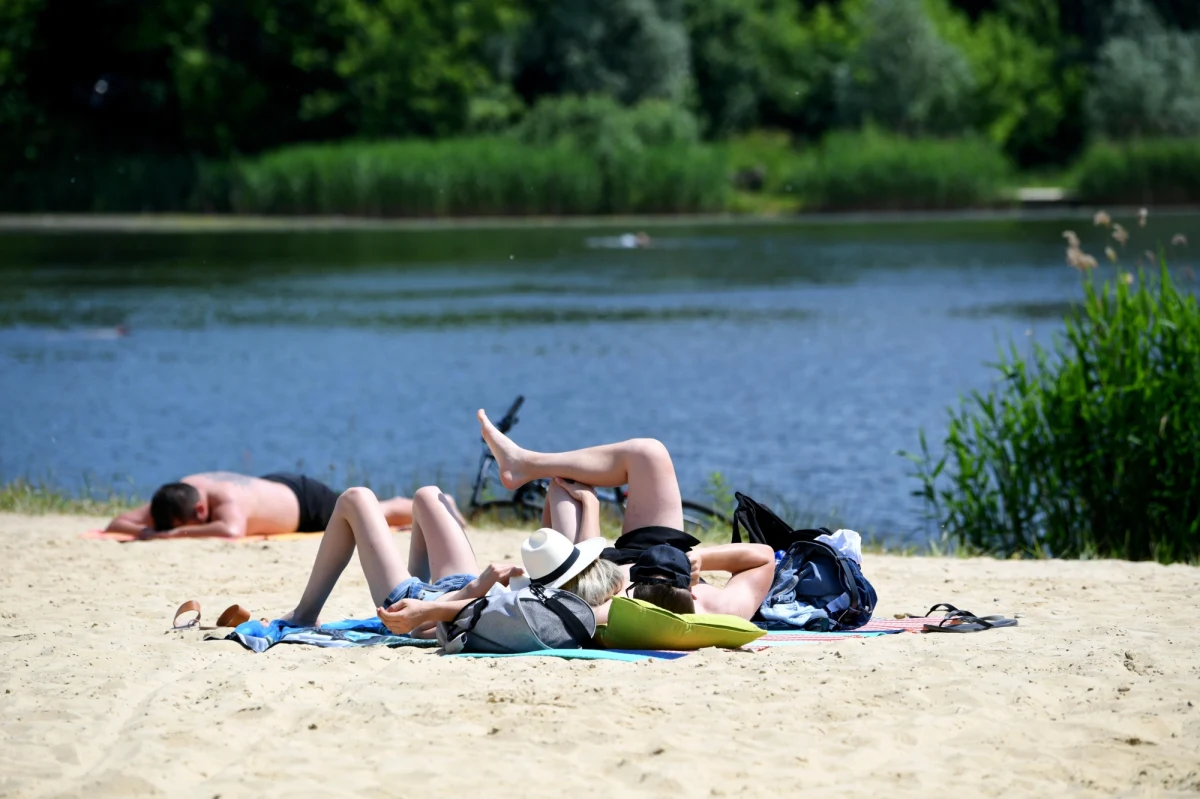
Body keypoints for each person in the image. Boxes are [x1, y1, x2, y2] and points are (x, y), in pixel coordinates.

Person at [477, 410, 775, 621]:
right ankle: (526, 465)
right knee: (649, 453)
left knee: (563, 490)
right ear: (693, 592)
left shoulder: (615, 604)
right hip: (664, 553)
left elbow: (584, 574)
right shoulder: (718, 607)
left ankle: (524, 466)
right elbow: (763, 556)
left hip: (597, 567)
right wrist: (701, 560)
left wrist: (591, 506)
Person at [277, 484, 620, 636]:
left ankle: (305, 614)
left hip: (427, 603)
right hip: (454, 584)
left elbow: (427, 626)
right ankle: (410, 576)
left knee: (356, 498)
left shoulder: (526, 614)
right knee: (429, 496)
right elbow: (590, 558)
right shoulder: (569, 590)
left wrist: (477, 586)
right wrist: (590, 505)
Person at [104, 471, 428, 540]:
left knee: (375, 512)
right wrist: (146, 529)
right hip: (274, 489)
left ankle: (430, 505)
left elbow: (232, 530)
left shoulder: (226, 499)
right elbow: (117, 522)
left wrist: (167, 536)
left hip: (304, 502)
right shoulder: (179, 494)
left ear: (200, 513)